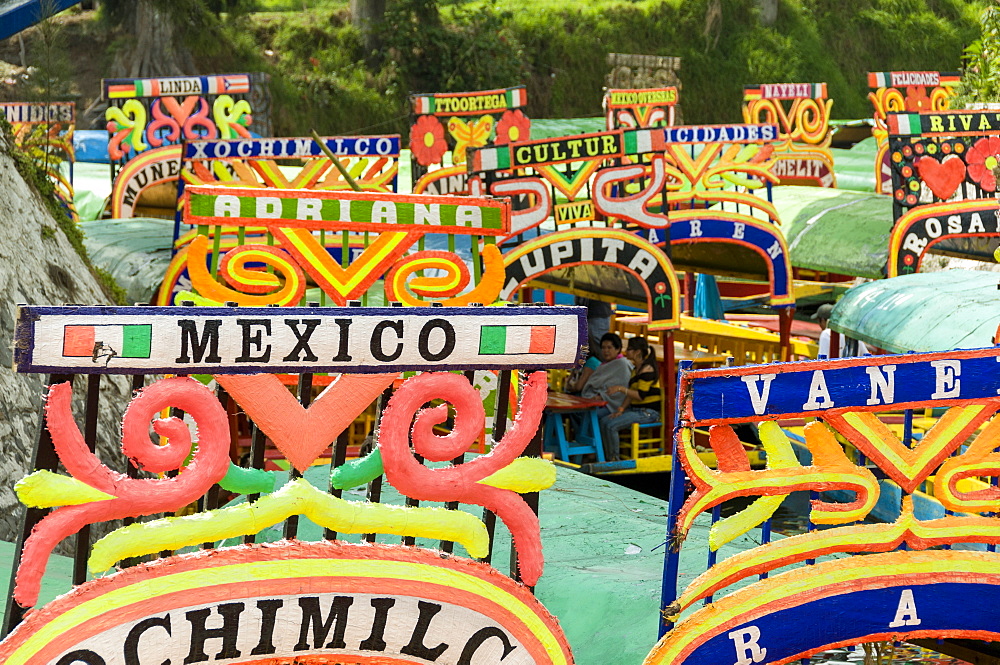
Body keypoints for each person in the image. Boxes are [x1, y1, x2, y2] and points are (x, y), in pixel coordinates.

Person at [599, 337, 661, 462]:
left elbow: (640, 395)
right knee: (604, 421)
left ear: (638, 352)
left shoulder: (648, 370)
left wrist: (620, 389)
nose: (627, 351)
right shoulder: (635, 369)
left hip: (648, 412)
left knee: (611, 426)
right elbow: (630, 393)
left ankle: (614, 460)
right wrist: (621, 409)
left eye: (630, 349)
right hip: (635, 410)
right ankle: (607, 457)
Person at [578, 333, 632, 417]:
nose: (606, 351)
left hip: (611, 405)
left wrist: (602, 396)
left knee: (585, 415)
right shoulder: (604, 365)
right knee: (575, 413)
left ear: (618, 349)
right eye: (603, 348)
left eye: (609, 348)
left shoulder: (622, 364)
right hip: (595, 401)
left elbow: (622, 391)